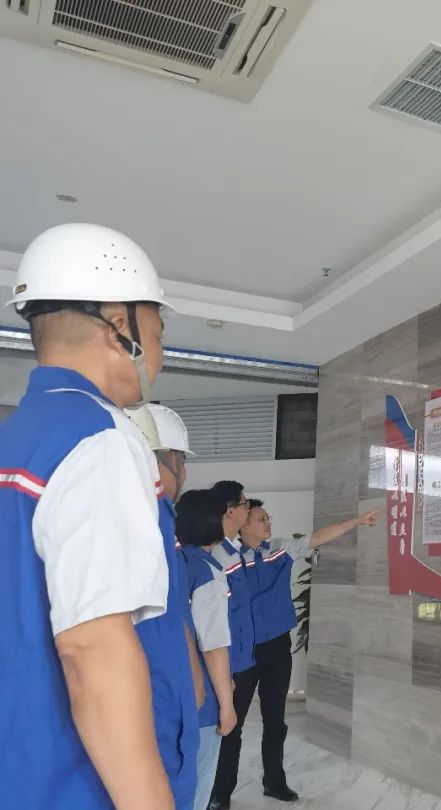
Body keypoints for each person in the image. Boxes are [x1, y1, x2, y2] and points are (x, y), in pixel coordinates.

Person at [0, 223, 178, 809]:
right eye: (158, 332)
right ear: (120, 326)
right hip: (73, 784)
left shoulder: (17, 437)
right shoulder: (97, 438)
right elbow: (93, 649)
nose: (160, 353)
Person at [211, 493, 377, 806]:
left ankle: (274, 782)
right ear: (243, 525)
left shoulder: (280, 549)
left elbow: (317, 537)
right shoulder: (226, 557)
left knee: (276, 719)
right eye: (261, 519)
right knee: (233, 723)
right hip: (243, 650)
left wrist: (357, 521)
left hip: (276, 647)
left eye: (268, 518)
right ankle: (221, 793)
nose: (268, 523)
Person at [125, 403, 205, 810]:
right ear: (166, 459)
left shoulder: (155, 522)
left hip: (161, 708)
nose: (185, 474)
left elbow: (172, 615)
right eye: (182, 462)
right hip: (154, 715)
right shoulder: (146, 521)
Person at [176, 489, 238, 810]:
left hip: (169, 696)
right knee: (196, 792)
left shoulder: (174, 563)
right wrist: (226, 705)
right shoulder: (207, 572)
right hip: (200, 705)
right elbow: (213, 645)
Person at [207, 480, 257, 810]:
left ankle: (221, 794)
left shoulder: (236, 552)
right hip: (226, 661)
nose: (248, 510)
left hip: (244, 658)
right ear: (230, 511)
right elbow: (211, 621)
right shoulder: (215, 556)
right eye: (244, 504)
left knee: (232, 733)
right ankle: (212, 796)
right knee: (219, 732)